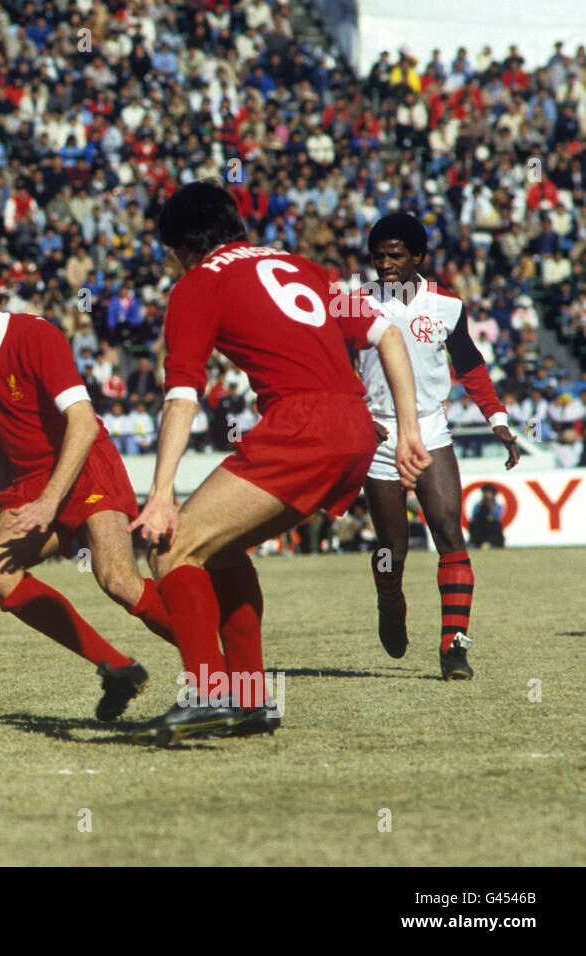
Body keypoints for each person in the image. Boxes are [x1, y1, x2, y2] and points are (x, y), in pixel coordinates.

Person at [127, 181, 430, 746]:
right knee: (220, 549)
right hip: (357, 428)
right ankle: (249, 700)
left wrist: (161, 493)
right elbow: (387, 333)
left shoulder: (199, 283)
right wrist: (409, 428)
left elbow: (182, 395)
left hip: (302, 425)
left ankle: (209, 691)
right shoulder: (303, 267)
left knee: (172, 545)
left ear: (183, 247)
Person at [0, 245, 177, 721]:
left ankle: (222, 663)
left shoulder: (35, 335)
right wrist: (1, 505)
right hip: (30, 484)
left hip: (85, 466)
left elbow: (83, 422)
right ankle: (117, 668)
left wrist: (51, 502)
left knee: (117, 581)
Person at [357, 213, 520, 679]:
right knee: (392, 548)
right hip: (380, 433)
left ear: (418, 258)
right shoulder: (354, 303)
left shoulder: (447, 305)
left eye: (395, 255)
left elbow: (470, 366)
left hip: (430, 430)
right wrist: (356, 413)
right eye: (378, 256)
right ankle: (391, 604)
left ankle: (454, 649)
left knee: (449, 533)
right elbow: (332, 361)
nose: (385, 264)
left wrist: (499, 421)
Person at [469, 484, 506, 549]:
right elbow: (474, 517)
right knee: (473, 525)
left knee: (497, 526)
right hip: (480, 526)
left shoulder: (497, 506)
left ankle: (495, 544)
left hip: (492, 527)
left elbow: (497, 517)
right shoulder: (478, 505)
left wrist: (491, 507)